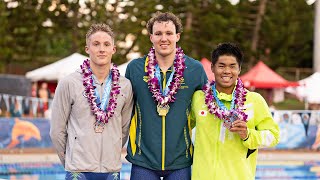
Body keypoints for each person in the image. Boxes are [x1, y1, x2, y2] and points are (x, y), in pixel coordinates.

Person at [125, 12, 207, 180]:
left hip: (180, 161)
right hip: (143, 160)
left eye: (169, 33)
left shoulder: (194, 69)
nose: (164, 38)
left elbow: (207, 109)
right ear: (151, 37)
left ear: (177, 36)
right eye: (158, 34)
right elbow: (123, 110)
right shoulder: (135, 69)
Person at [50, 23, 133, 180]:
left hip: (111, 170)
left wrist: (111, 152)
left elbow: (124, 129)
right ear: (87, 48)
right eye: (96, 44)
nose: (101, 49)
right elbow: (57, 131)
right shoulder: (69, 83)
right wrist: (72, 160)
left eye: (106, 44)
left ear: (113, 49)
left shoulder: (125, 86)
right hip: (78, 170)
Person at [191, 42, 280, 180]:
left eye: (232, 66)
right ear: (212, 68)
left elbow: (273, 136)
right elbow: (182, 129)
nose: (227, 71)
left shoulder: (254, 100)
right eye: (221, 66)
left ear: (239, 69)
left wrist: (248, 135)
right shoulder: (198, 98)